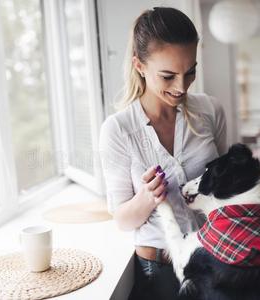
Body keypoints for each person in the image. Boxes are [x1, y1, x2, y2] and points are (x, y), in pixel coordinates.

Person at [98, 7, 227, 300]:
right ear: (139, 66)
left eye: (190, 71)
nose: (182, 87)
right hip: (160, 275)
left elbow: (224, 191)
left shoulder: (211, 111)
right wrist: (146, 197)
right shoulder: (118, 131)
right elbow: (122, 220)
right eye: (168, 76)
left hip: (215, 261)